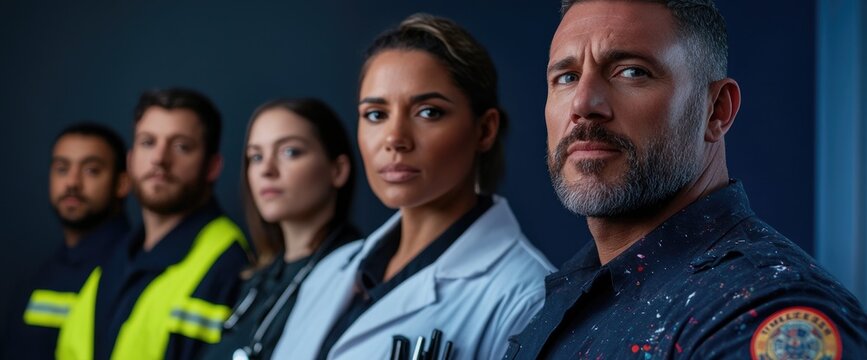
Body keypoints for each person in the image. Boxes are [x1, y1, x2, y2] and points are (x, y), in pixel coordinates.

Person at [504, 0, 867, 359]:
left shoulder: (761, 312)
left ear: (716, 111)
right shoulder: (580, 289)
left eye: (631, 72)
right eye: (566, 77)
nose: (583, 103)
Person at [273, 13, 555, 360]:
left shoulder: (525, 298)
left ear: (485, 130)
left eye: (428, 112)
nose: (394, 139)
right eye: (376, 114)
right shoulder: (330, 271)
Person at [56, 88, 250, 360]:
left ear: (212, 166)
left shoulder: (228, 264)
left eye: (181, 146)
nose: (159, 158)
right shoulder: (115, 256)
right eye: (148, 142)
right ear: (131, 159)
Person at [201, 98, 360, 360]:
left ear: (338, 170)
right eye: (256, 156)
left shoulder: (355, 278)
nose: (266, 169)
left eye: (290, 152)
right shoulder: (258, 279)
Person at [2, 123, 131, 360]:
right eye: (62, 169)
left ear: (122, 183)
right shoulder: (37, 276)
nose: (72, 182)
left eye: (91, 170)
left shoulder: (132, 270)